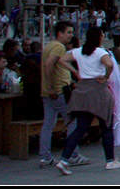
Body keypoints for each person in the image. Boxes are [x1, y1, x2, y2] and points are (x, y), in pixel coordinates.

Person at [54, 27, 120, 173]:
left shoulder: (79, 51)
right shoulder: (100, 52)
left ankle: (64, 159)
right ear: (99, 37)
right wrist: (106, 76)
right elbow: (110, 64)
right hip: (98, 89)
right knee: (106, 125)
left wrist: (75, 71)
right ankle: (110, 160)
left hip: (82, 90)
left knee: (81, 127)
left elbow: (61, 60)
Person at [39, 21, 88, 169]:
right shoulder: (58, 47)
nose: (71, 36)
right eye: (69, 32)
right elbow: (49, 64)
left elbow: (58, 62)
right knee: (71, 121)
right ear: (60, 33)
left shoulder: (50, 45)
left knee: (48, 123)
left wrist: (73, 72)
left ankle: (45, 156)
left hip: (49, 91)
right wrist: (51, 86)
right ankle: (73, 154)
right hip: (59, 90)